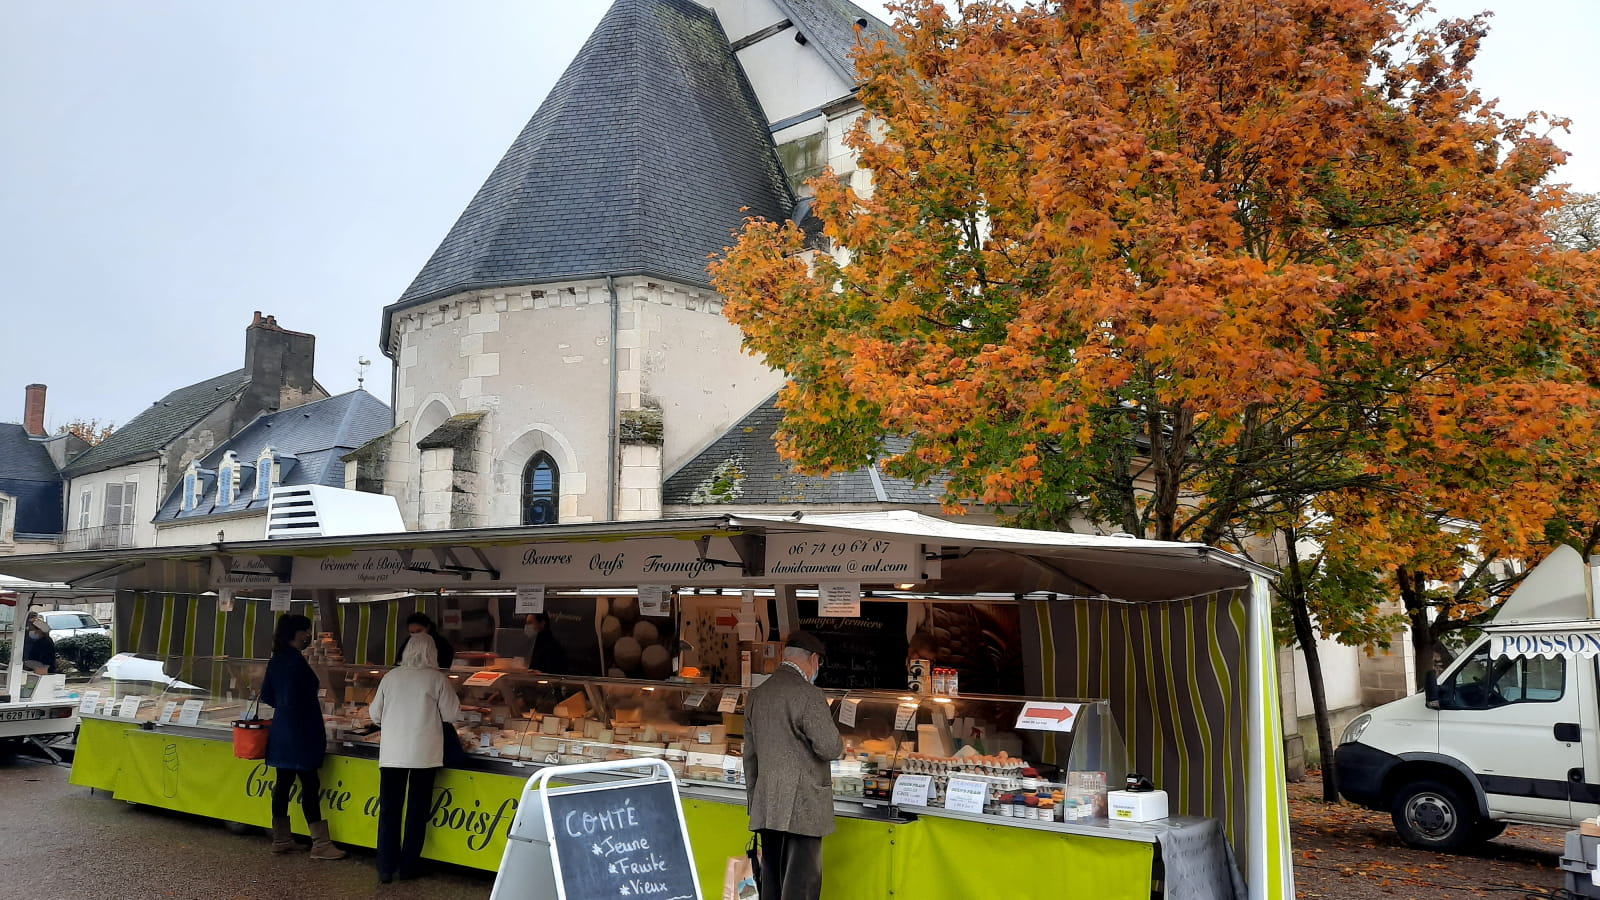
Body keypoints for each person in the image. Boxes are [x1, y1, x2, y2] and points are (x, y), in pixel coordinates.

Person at [743, 631, 843, 900]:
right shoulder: (809, 695)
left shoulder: (757, 695)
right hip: (804, 807)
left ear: (783, 657)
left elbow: (750, 756)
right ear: (813, 659)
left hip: (768, 807)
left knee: (771, 885)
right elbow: (830, 747)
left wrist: (756, 804)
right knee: (801, 887)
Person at [368, 632, 461, 883]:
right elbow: (452, 714)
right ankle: (409, 867)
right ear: (433, 653)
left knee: (389, 811)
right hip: (424, 755)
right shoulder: (436, 679)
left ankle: (385, 867)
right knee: (417, 812)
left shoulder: (390, 677)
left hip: (392, 754)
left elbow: (374, 715)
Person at [259, 613, 346, 860]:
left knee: (283, 784)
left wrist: (284, 708)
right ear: (297, 633)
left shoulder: (277, 659)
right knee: (310, 786)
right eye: (307, 631)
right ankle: (320, 844)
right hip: (301, 731)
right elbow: (297, 696)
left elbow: (267, 695)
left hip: (282, 730)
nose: (309, 635)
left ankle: (281, 838)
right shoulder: (295, 662)